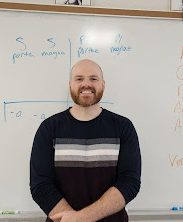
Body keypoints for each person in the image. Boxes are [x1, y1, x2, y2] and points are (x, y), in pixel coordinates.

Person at [30, 59, 141, 222]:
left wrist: (81, 218)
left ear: (103, 84)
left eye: (93, 79)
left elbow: (129, 182)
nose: (86, 84)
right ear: (70, 85)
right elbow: (41, 186)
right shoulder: (49, 128)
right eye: (79, 79)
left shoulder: (123, 127)